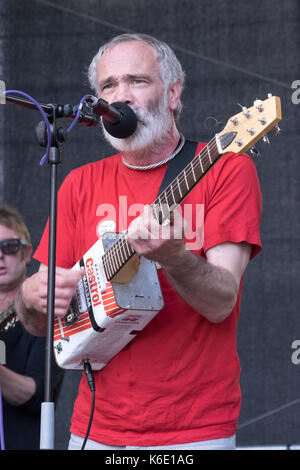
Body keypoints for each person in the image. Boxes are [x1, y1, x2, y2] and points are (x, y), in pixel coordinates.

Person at [15, 33, 262, 450]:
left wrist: (176, 257)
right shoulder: (78, 184)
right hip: (95, 428)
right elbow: (42, 323)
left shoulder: (225, 170)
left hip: (194, 430)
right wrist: (29, 296)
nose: (120, 97)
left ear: (173, 92)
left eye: (137, 81)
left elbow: (222, 303)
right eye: (108, 86)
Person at [0, 205, 64, 450]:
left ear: (27, 253)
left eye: (9, 247)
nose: (0, 256)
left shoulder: (44, 312)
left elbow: (38, 396)